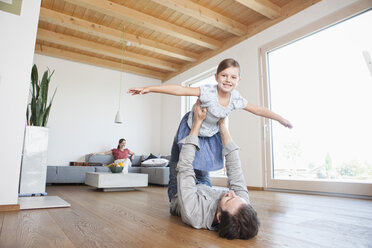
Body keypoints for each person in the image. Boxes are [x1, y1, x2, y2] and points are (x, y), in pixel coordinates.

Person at [128, 58, 292, 177]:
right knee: (181, 161)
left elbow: (258, 109)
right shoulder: (208, 91)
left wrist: (280, 119)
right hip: (192, 126)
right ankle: (176, 172)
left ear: (238, 80)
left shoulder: (235, 98)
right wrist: (149, 88)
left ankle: (200, 186)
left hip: (211, 133)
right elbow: (180, 90)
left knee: (203, 164)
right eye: (224, 75)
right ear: (216, 77)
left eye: (233, 77)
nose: (228, 80)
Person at [170, 100, 259, 239]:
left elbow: (185, 167)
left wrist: (197, 123)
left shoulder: (193, 214)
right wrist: (222, 124)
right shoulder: (241, 204)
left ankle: (182, 135)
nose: (231, 192)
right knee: (202, 143)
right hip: (204, 187)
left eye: (229, 199)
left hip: (180, 189)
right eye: (235, 196)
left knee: (179, 143)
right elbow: (235, 169)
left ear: (218, 217)